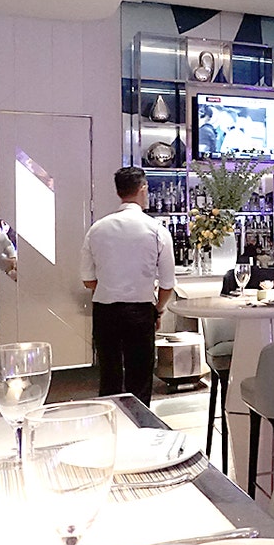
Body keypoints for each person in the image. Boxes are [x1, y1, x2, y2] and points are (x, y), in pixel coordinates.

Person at [79, 167, 176, 406]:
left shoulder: (97, 229)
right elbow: (167, 284)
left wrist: (112, 286)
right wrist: (158, 309)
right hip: (140, 311)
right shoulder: (156, 230)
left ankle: (112, 426)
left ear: (118, 192)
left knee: (109, 375)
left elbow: (87, 280)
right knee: (140, 377)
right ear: (143, 189)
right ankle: (140, 427)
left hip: (105, 311)